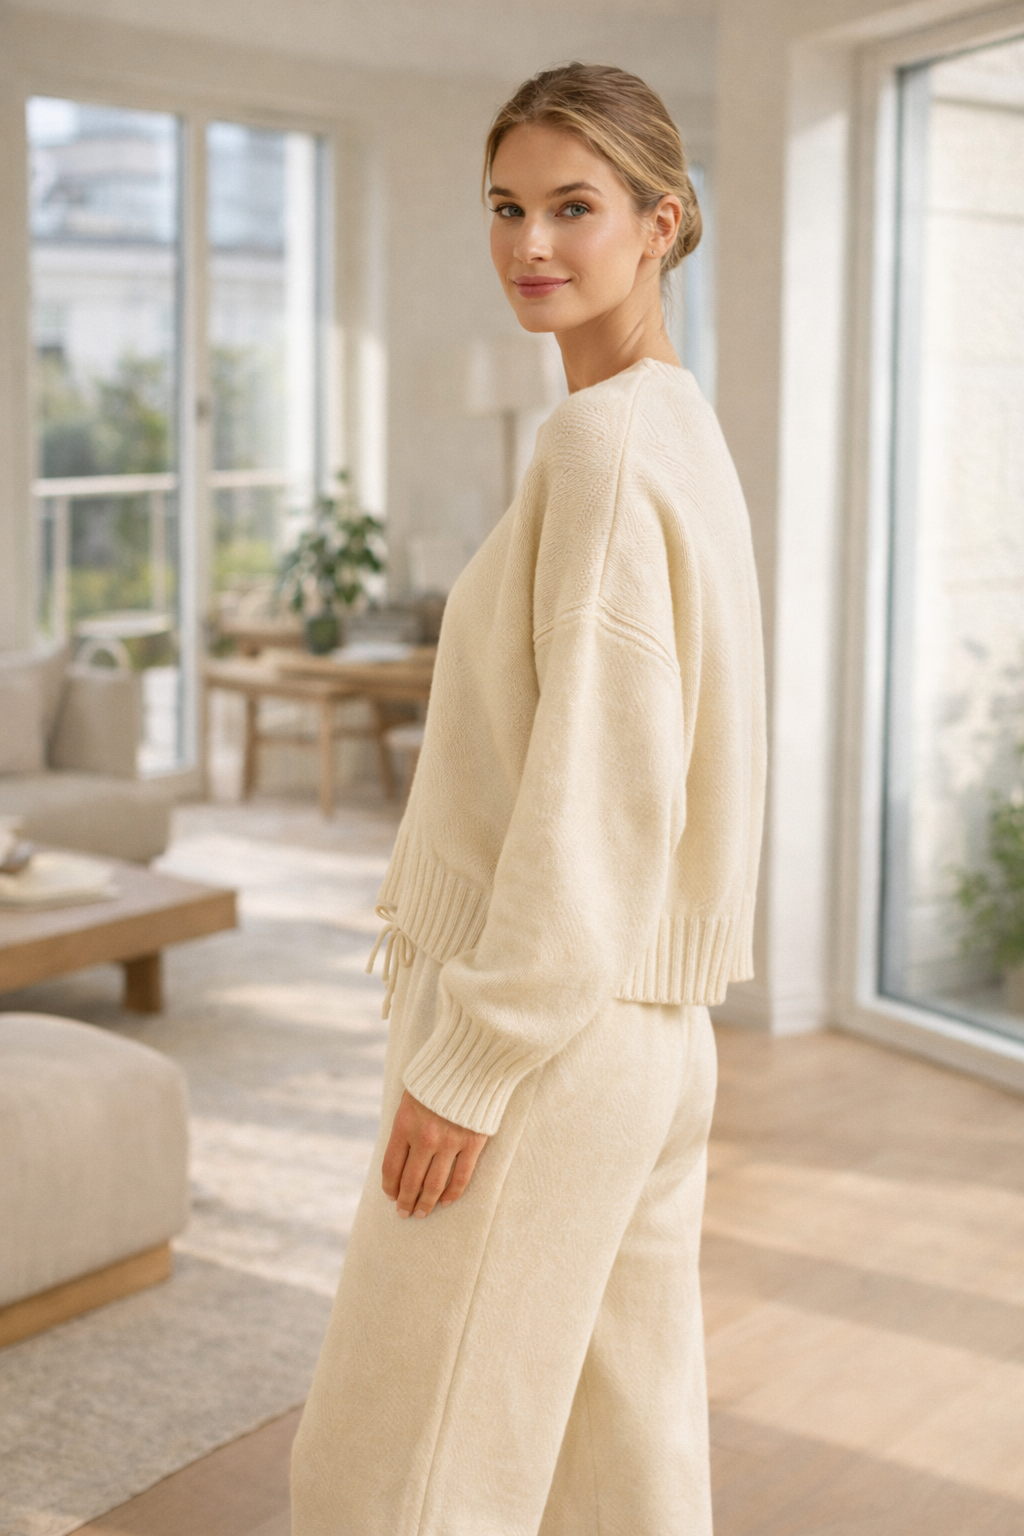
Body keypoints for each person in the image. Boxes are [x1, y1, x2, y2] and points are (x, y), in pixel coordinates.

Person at [291, 61, 766, 1536]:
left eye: (575, 207)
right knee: (613, 1467)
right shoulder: (678, 426)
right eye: (506, 207)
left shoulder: (599, 446)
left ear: (662, 223)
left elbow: (599, 793)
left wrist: (472, 1057)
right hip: (650, 1038)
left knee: (394, 1471)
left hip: (548, 1036)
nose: (530, 246)